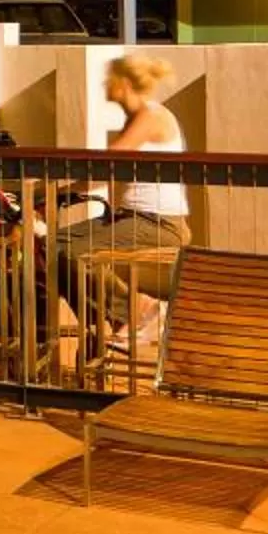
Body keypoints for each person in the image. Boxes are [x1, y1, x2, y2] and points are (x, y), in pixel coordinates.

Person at [51, 53, 190, 351]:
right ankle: (113, 323)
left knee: (75, 253)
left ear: (123, 83)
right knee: (51, 246)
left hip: (158, 222)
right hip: (133, 218)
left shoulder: (150, 116)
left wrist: (54, 186)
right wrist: (51, 193)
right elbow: (104, 173)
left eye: (109, 77)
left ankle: (140, 314)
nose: (104, 83)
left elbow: (108, 162)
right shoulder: (137, 117)